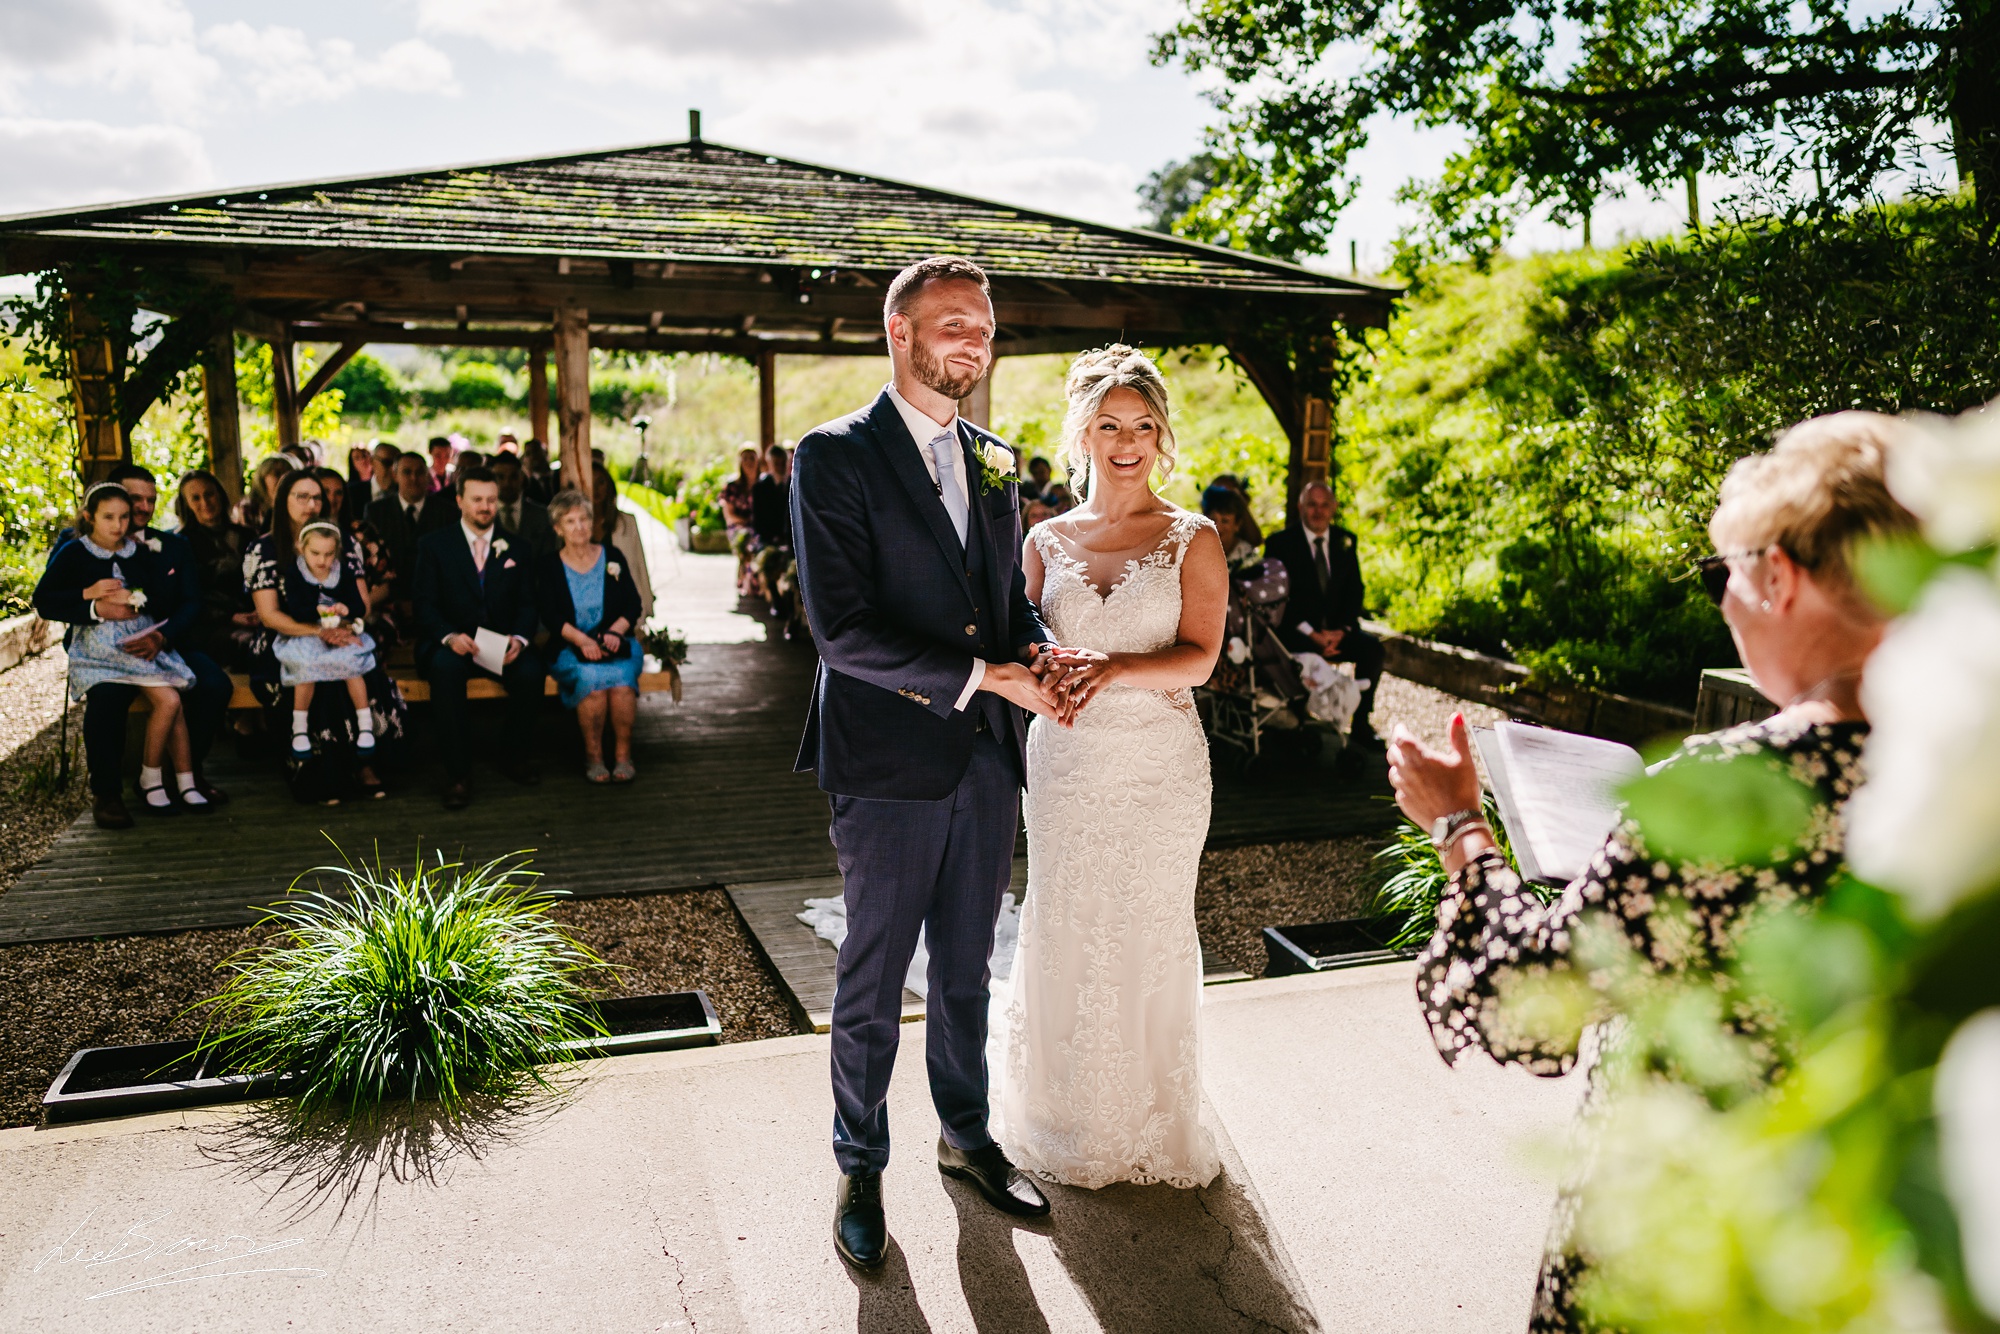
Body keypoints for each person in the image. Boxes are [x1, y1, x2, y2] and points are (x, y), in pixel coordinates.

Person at [1387, 410, 1915, 1334]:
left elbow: (1533, 998)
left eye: (1721, 576)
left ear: (1778, 576)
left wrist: (1460, 823)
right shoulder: (1965, 782)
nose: (1723, 600)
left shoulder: (1730, 797)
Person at [790, 255, 1060, 1269]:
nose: (973, 341)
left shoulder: (994, 457)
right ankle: (859, 1164)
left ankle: (965, 1135)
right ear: (897, 331)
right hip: (885, 759)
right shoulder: (832, 456)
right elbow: (841, 633)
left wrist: (1040, 648)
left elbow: (1004, 600)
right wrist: (990, 672)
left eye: (983, 325)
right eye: (952, 322)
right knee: (869, 974)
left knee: (966, 968)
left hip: (984, 763)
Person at [999, 345, 1228, 1192]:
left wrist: (1114, 669)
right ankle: (1057, 1113)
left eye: (1142, 425)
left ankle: (1149, 1118)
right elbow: (1018, 648)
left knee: (1147, 926)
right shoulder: (1042, 541)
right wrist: (1038, 683)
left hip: (1159, 767)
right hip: (1063, 764)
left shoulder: (1190, 538)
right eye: (1109, 424)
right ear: (1082, 433)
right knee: (1065, 917)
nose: (1126, 440)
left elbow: (1201, 659)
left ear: (1162, 436)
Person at [34, 484, 209, 826]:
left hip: (137, 641)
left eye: (124, 517)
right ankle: (114, 791)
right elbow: (44, 600)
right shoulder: (75, 552)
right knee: (110, 701)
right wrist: (91, 600)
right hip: (99, 648)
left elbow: (159, 595)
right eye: (108, 517)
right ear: (90, 517)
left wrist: (141, 601)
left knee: (172, 700)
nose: (118, 525)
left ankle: (161, 777)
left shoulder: (138, 551)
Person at [246, 468, 403, 797]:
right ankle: (319, 773)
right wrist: (317, 631)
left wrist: (340, 628)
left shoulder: (343, 543)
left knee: (361, 667)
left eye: (316, 496)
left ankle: (366, 761)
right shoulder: (265, 548)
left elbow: (363, 603)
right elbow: (269, 614)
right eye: (301, 496)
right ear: (282, 500)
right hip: (285, 635)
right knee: (314, 675)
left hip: (341, 630)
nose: (311, 504)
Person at [412, 466, 544, 809]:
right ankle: (457, 774)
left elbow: (529, 603)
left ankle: (514, 756)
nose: (485, 507)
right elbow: (423, 604)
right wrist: (448, 636)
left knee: (531, 673)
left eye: (490, 500)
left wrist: (519, 638)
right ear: (459, 501)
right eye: (477, 500)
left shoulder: (518, 547)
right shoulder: (434, 546)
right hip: (451, 644)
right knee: (445, 672)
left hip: (500, 645)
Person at [1264, 479, 1385, 744]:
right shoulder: (1280, 544)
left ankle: (1361, 722)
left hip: (1336, 632)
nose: (1318, 511)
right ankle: (1297, 723)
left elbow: (1355, 591)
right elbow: (1279, 598)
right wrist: (1313, 634)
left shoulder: (1346, 541)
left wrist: (1341, 631)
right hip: (1298, 633)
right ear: (1300, 507)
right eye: (1312, 505)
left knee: (1373, 649)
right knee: (1285, 653)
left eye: (1324, 505)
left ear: (1333, 508)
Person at [537, 489, 643, 783]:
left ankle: (623, 756)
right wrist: (583, 641)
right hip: (571, 647)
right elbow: (550, 615)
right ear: (558, 528)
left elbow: (633, 604)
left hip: (616, 644)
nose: (579, 526)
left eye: (584, 519)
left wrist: (614, 632)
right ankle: (594, 758)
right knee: (591, 682)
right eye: (570, 521)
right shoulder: (549, 566)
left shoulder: (613, 556)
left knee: (621, 681)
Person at [270, 522, 380, 759]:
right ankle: (299, 729)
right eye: (316, 553)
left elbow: (360, 606)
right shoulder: (295, 573)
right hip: (310, 633)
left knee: (352, 663)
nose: (322, 560)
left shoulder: (344, 572)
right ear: (302, 548)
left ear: (337, 551)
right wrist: (318, 610)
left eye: (329, 554)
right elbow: (297, 610)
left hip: (342, 631)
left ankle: (365, 725)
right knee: (306, 668)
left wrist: (345, 608)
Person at [173, 469, 258, 668]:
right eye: (195, 498)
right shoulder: (180, 544)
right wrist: (231, 617)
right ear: (186, 505)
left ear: (220, 493)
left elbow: (261, 579)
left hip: (255, 614)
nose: (205, 503)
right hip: (209, 623)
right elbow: (186, 596)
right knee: (246, 645)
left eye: (209, 494)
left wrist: (260, 611)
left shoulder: (247, 536)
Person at [365, 451, 455, 591]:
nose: (414, 478)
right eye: (407, 472)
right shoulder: (376, 512)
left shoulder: (448, 512)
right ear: (395, 476)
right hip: (389, 597)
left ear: (427, 476)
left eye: (420, 472)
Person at [591, 463, 655, 627]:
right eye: (591, 482)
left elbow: (639, 563)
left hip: (624, 602)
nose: (596, 488)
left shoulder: (627, 522)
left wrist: (647, 605)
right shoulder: (579, 527)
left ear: (609, 486)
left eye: (601, 482)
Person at [490, 451, 555, 556]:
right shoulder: (482, 514)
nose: (507, 483)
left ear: (522, 477)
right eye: (500, 477)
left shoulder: (542, 515)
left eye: (513, 476)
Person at [721, 444, 760, 594]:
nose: (749, 462)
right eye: (745, 459)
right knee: (748, 539)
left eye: (752, 458)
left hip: (758, 526)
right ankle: (747, 582)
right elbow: (729, 515)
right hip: (739, 525)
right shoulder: (733, 485)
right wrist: (747, 522)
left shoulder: (763, 483)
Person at [1200, 482, 1264, 570]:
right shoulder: (1196, 550)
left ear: (1237, 525)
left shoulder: (1248, 557)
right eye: (1212, 520)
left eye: (1225, 521)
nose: (1217, 526)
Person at [235, 453, 295, 532]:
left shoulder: (295, 503)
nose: (282, 477)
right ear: (262, 478)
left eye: (287, 474)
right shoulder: (247, 508)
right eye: (277, 473)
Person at [751, 443, 793, 552]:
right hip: (768, 540)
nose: (780, 467)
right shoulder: (760, 488)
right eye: (776, 463)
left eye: (783, 463)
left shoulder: (794, 485)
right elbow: (759, 520)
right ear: (769, 464)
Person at [520, 437, 557, 504]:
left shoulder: (559, 476)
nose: (532, 457)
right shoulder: (524, 485)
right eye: (528, 454)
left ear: (545, 453)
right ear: (524, 460)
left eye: (536, 451)